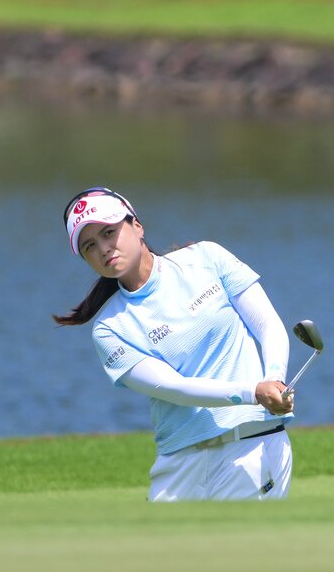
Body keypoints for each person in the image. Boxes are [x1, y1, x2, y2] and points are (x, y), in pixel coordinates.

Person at [53, 186, 295, 501]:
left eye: (109, 232)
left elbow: (267, 324)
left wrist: (274, 378)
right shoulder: (109, 328)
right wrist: (254, 392)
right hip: (178, 466)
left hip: (253, 447)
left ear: (136, 226)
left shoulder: (207, 257)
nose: (103, 248)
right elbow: (173, 388)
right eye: (89, 245)